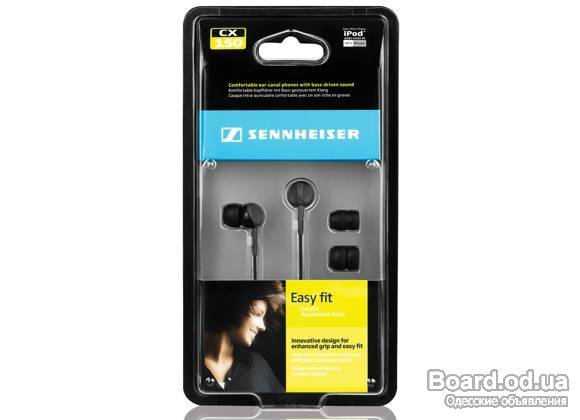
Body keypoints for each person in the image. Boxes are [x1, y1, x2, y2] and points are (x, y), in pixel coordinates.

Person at [201, 281, 285, 393]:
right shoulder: (187, 363)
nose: (262, 327)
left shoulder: (257, 366)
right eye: (257, 314)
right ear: (236, 305)